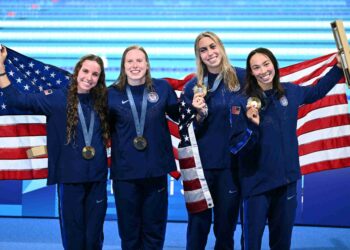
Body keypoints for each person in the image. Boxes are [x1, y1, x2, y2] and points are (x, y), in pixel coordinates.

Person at [229, 47, 343, 250]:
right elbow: (236, 147)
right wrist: (252, 127)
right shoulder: (241, 102)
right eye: (256, 67)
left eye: (266, 64)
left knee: (282, 244)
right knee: (251, 244)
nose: (263, 71)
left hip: (287, 182)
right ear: (251, 73)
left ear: (274, 64)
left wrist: (338, 68)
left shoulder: (291, 91)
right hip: (256, 186)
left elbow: (317, 91)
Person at [0, 46, 109, 250]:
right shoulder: (57, 98)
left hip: (97, 179)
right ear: (77, 71)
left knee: (94, 238)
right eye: (85, 71)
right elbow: (18, 100)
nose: (89, 77)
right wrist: (1, 68)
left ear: (100, 79)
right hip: (69, 180)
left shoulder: (103, 101)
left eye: (95, 74)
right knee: (74, 239)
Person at [108, 45, 179, 250]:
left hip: (156, 171)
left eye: (139, 60)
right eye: (130, 61)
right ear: (123, 66)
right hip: (125, 175)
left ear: (147, 64)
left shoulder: (162, 89)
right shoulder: (110, 94)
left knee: (154, 231)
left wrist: (199, 109)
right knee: (129, 233)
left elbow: (180, 118)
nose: (135, 65)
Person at [180, 31, 245, 250]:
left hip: (231, 167)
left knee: (225, 230)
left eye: (213, 46)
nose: (210, 53)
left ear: (221, 47)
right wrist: (198, 115)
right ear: (199, 56)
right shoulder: (192, 88)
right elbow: (186, 131)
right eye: (203, 50)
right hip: (202, 168)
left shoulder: (243, 78)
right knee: (198, 227)